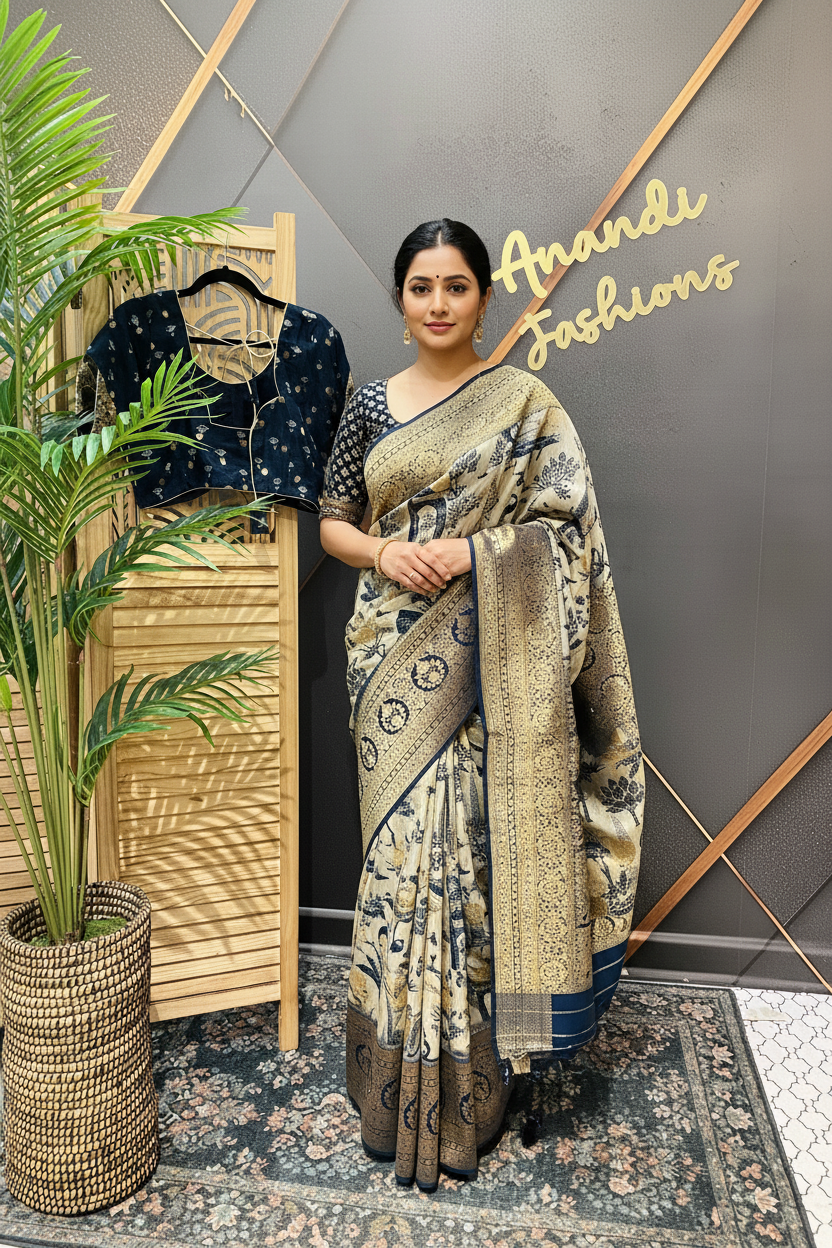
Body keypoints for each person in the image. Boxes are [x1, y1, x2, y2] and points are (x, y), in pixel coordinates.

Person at [319, 219, 645, 1192]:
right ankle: (389, 1082)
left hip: (490, 664)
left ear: (483, 297)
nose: (438, 303)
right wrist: (384, 551)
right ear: (400, 297)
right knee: (398, 866)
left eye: (455, 285)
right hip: (387, 659)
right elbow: (331, 521)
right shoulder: (368, 405)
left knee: (470, 862)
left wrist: (471, 553)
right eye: (421, 286)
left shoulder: (525, 406)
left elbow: (566, 536)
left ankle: (471, 1090)